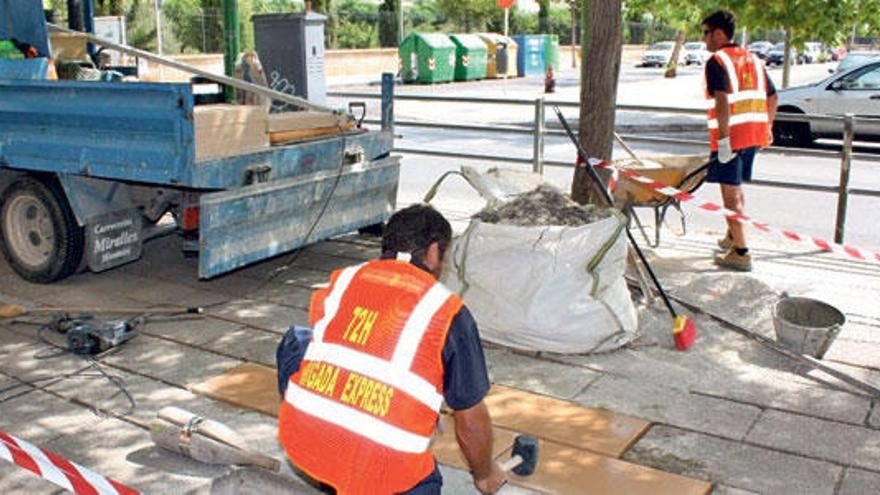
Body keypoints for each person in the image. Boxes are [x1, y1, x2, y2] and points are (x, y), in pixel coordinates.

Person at [277, 204, 506, 495]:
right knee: (413, 479)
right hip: (385, 476)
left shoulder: (344, 280)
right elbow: (470, 420)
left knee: (296, 340)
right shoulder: (447, 311)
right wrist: (485, 474)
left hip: (309, 449)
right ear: (434, 251)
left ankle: (323, 444)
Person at [701, 10, 778, 271]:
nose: (704, 39)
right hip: (752, 137)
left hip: (731, 140)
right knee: (736, 187)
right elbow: (772, 96)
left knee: (730, 194)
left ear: (719, 33)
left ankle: (741, 252)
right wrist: (767, 127)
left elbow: (722, 101)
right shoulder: (753, 59)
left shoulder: (717, 61)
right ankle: (733, 235)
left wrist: (723, 141)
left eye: (706, 32)